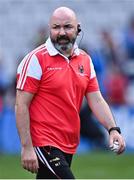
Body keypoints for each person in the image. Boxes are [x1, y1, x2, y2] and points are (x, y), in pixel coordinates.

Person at [15, 6, 125, 179]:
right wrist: (27, 147)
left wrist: (113, 129)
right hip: (44, 142)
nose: (61, 32)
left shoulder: (85, 60)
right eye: (56, 27)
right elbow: (21, 104)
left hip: (68, 142)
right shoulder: (35, 59)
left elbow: (96, 99)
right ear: (49, 29)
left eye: (67, 27)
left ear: (78, 29)